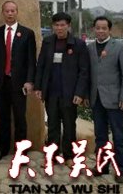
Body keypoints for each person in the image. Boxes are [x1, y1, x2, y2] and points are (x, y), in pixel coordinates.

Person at [34, 12, 89, 167]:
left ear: (68, 26)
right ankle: (52, 156)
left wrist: (79, 93)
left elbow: (84, 71)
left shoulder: (78, 44)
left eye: (62, 25)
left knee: (69, 125)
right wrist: (39, 87)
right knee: (52, 125)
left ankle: (69, 156)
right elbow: (41, 65)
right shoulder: (48, 42)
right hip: (51, 92)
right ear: (53, 26)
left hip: (70, 93)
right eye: (56, 25)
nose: (59, 28)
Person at [86, 16, 123, 184]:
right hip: (96, 98)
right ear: (93, 29)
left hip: (115, 99)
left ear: (109, 30)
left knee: (118, 135)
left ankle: (121, 168)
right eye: (97, 28)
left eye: (104, 28)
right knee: (100, 136)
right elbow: (88, 74)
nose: (100, 31)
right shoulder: (90, 48)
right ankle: (102, 166)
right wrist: (87, 95)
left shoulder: (120, 47)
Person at [0, 0, 37, 163]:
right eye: (7, 11)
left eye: (13, 11)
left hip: (20, 84)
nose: (10, 13)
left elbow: (31, 61)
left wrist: (30, 81)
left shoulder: (27, 33)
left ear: (17, 12)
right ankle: (2, 149)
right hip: (1, 82)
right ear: (3, 13)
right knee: (3, 118)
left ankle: (21, 153)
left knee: (20, 119)